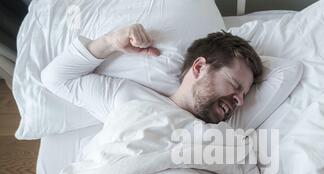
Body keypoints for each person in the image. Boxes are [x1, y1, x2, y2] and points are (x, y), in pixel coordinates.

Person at [41, 24, 263, 125]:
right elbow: (56, 79)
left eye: (243, 93)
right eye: (234, 85)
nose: (240, 101)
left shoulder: (228, 135)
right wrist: (109, 42)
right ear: (199, 68)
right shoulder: (128, 97)